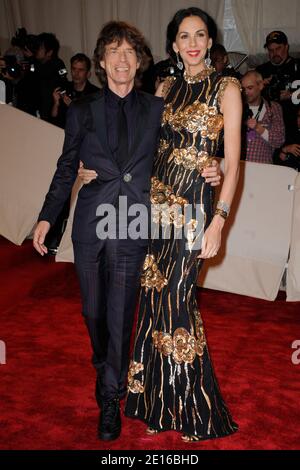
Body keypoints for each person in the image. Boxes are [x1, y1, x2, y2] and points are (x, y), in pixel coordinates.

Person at [33, 19, 222, 443]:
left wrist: (215, 167)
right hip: (90, 225)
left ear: (139, 62)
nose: (121, 59)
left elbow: (190, 149)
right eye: (113, 52)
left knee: (120, 315)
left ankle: (109, 398)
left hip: (134, 226)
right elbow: (67, 169)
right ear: (102, 61)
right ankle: (104, 367)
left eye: (129, 52)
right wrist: (47, 216)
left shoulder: (156, 109)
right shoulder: (82, 111)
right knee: (93, 313)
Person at [124, 7, 242, 442]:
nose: (192, 42)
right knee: (155, 301)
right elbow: (146, 148)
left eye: (201, 35)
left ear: (210, 42)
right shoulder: (165, 86)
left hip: (194, 211)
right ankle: (156, 402)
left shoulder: (226, 87)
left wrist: (219, 221)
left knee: (178, 300)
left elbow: (232, 163)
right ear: (174, 44)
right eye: (184, 36)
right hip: (155, 211)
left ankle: (193, 405)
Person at [256, 31, 300, 136]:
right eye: (271, 50)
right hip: (268, 126)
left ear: (286, 47)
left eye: (278, 48)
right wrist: (259, 86)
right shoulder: (260, 71)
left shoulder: (298, 66)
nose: (275, 53)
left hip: (294, 122)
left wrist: (292, 95)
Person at [241, 70, 285, 164]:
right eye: (243, 89)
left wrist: (258, 127)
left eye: (250, 88)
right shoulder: (237, 107)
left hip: (263, 167)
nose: (246, 92)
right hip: (239, 166)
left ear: (260, 86)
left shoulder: (273, 108)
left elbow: (279, 140)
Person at [51, 53, 99, 129]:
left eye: (81, 70)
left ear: (88, 74)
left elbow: (95, 124)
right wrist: (56, 103)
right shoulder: (64, 89)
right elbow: (54, 118)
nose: (76, 74)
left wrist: (74, 108)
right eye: (73, 69)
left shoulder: (95, 94)